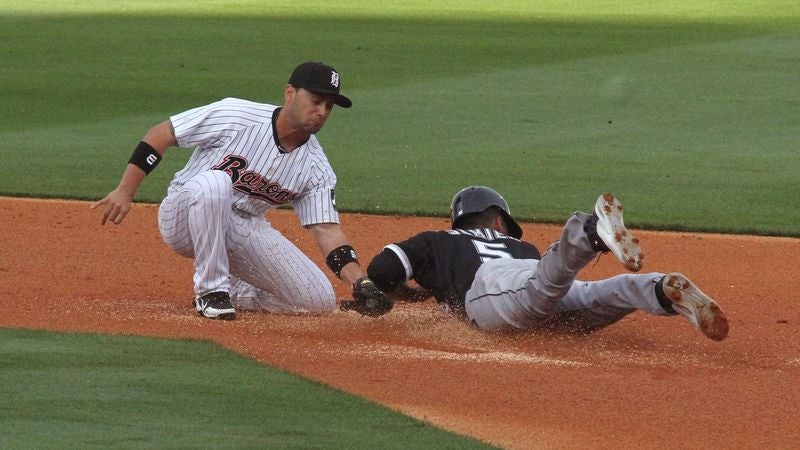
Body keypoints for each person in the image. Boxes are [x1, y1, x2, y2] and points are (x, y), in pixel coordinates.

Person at [93, 61, 375, 320]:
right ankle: (210, 292)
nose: (322, 112)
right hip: (183, 215)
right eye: (316, 101)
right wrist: (125, 191)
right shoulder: (237, 116)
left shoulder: (316, 168)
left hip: (241, 228)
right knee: (216, 183)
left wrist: (359, 282)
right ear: (290, 93)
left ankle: (235, 291)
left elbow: (327, 230)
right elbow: (162, 134)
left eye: (329, 106)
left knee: (317, 301)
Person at [343, 186, 729, 341]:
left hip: (494, 289)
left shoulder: (437, 241)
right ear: (498, 220)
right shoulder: (519, 246)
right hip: (530, 280)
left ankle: (588, 233)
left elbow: (382, 270)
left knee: (542, 291)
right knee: (586, 300)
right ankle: (659, 288)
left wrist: (402, 294)